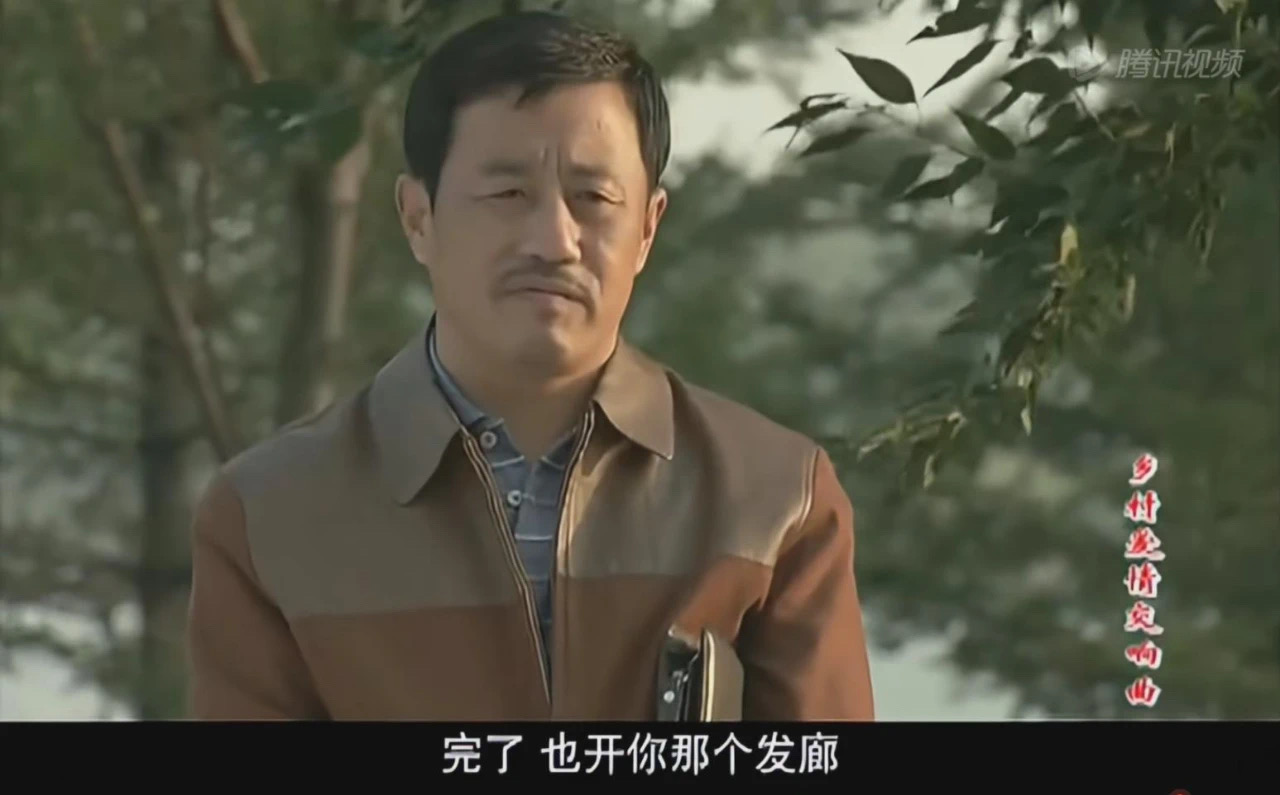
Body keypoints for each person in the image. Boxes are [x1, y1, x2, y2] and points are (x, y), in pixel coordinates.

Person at [185, 10, 874, 721]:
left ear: (647, 227)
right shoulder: (270, 514)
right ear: (418, 216)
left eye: (594, 198)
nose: (554, 241)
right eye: (508, 194)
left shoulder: (775, 499)